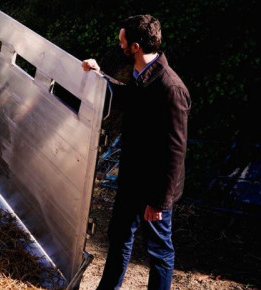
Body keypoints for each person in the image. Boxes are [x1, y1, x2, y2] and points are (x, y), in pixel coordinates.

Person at [82, 14, 191, 290]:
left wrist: (159, 202)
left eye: (123, 42)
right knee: (118, 237)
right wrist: (98, 76)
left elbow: (175, 152)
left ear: (137, 46)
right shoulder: (142, 75)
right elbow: (125, 98)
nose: (120, 46)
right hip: (132, 179)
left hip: (154, 188)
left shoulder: (171, 88)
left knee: (159, 252)